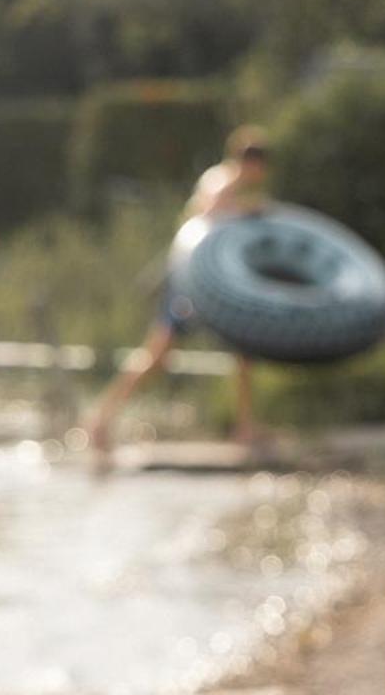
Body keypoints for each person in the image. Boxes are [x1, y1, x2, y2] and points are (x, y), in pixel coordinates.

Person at [84, 126, 271, 455]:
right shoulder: (223, 180)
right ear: (251, 161)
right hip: (191, 284)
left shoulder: (236, 186)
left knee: (244, 353)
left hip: (215, 288)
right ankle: (102, 418)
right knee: (158, 355)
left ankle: (245, 427)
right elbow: (207, 211)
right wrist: (248, 211)